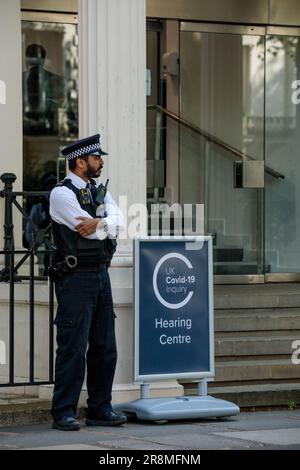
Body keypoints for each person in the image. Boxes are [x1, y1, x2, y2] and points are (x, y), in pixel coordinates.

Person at [49, 133, 126, 431]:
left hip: (100, 275)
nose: (101, 162)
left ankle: (100, 408)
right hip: (75, 278)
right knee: (72, 346)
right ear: (80, 162)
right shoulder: (62, 193)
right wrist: (104, 225)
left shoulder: (99, 191)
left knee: (105, 346)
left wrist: (102, 223)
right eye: (96, 158)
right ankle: (63, 411)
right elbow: (89, 232)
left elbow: (121, 224)